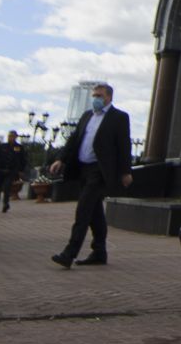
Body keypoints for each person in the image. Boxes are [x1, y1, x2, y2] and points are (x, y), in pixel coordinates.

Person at [48, 83, 133, 268]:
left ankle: (69, 253)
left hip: (100, 171)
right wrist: (60, 159)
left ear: (109, 97)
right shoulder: (87, 116)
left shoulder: (119, 117)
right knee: (95, 213)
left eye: (99, 95)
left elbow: (124, 145)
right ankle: (99, 251)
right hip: (83, 169)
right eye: (94, 95)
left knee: (83, 210)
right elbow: (74, 140)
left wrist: (126, 171)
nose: (95, 99)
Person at [0, 132, 28, 213]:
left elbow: (23, 160)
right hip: (0, 170)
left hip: (11, 171)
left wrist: (21, 170)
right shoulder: (2, 146)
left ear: (16, 137)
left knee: (7, 188)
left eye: (12, 136)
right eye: (9, 136)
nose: (11, 138)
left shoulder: (19, 147)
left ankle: (5, 204)